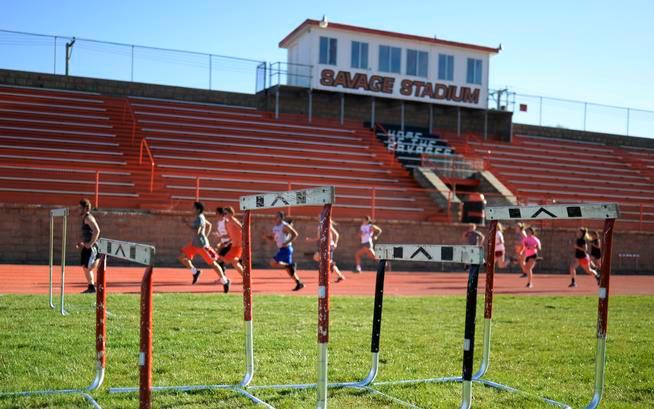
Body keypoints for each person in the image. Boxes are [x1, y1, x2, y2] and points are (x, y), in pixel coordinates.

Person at [178, 201, 230, 293]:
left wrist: (186, 223)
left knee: (213, 264)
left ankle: (225, 281)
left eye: (193, 208)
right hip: (195, 244)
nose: (191, 209)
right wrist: (205, 234)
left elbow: (197, 232)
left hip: (202, 245)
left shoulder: (199, 218)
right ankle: (195, 272)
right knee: (182, 257)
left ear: (198, 209)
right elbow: (208, 225)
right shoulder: (199, 217)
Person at [263, 211, 304, 291]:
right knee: (289, 271)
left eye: (277, 217)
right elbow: (274, 239)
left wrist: (287, 242)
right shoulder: (275, 227)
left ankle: (290, 266)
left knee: (272, 263)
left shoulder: (284, 225)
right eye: (275, 216)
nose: (275, 218)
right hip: (282, 249)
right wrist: (266, 237)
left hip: (286, 249)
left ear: (281, 218)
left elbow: (295, 234)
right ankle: (299, 283)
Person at [76, 199, 100, 294]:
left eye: (80, 208)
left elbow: (97, 231)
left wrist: (90, 243)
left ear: (85, 208)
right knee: (85, 267)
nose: (78, 210)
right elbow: (88, 233)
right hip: (87, 246)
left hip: (92, 247)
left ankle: (92, 288)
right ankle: (91, 287)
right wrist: (82, 243)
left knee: (88, 267)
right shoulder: (85, 218)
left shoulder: (88, 218)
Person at [221, 207, 244, 277]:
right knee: (234, 263)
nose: (224, 215)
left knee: (222, 260)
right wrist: (223, 238)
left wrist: (243, 240)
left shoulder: (233, 220)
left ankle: (223, 279)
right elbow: (230, 235)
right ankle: (246, 277)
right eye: (223, 213)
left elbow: (242, 228)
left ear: (231, 213)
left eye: (225, 213)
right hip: (234, 245)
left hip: (238, 245)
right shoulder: (227, 223)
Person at [214, 207, 232, 273]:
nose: (215, 214)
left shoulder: (226, 221)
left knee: (220, 259)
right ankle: (223, 276)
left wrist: (220, 236)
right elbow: (222, 234)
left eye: (216, 213)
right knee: (219, 259)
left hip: (230, 243)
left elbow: (230, 235)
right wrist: (219, 242)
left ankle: (223, 277)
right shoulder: (219, 222)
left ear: (220, 213)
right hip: (224, 243)